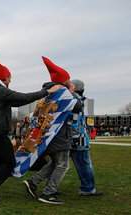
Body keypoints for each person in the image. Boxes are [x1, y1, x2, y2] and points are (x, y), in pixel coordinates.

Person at [0, 52, 62, 203]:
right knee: (9, 163)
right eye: (10, 78)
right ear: (5, 78)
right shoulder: (0, 90)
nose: (10, 81)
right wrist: (47, 92)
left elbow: (18, 102)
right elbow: (23, 97)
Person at [23, 56, 83, 205]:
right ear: (64, 81)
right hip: (58, 134)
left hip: (47, 134)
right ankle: (48, 193)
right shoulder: (62, 92)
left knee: (55, 163)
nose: (70, 82)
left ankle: (33, 182)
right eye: (68, 79)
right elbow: (78, 107)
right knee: (63, 165)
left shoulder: (48, 92)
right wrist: (73, 93)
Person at [67, 79, 104, 196]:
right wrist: (75, 139)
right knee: (84, 164)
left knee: (58, 164)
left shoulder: (68, 99)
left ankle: (49, 186)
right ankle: (87, 189)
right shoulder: (76, 101)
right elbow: (75, 122)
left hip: (67, 138)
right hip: (78, 139)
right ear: (81, 88)